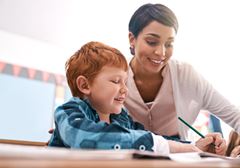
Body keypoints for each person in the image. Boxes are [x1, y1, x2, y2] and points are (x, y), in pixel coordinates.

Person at [124, 3, 240, 156]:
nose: (161, 52)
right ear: (132, 39)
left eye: (169, 44)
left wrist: (196, 146)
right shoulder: (114, 76)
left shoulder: (186, 76)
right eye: (152, 42)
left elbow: (235, 116)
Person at [48, 41, 201, 155]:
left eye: (125, 82)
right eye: (116, 81)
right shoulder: (69, 112)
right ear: (84, 85)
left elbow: (156, 138)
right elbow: (84, 138)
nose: (125, 89)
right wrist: (159, 145)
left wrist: (193, 146)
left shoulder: (121, 119)